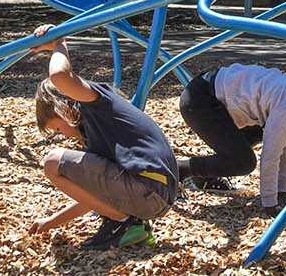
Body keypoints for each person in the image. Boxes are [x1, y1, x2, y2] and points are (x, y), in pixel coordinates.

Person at [27, 23, 179, 250]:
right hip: (153, 194)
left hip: (149, 189)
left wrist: (59, 43)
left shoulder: (95, 104)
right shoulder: (96, 133)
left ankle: (124, 224)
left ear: (64, 109)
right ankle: (127, 225)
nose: (64, 136)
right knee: (59, 163)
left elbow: (59, 76)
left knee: (52, 162)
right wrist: (51, 222)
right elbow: (97, 196)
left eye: (58, 129)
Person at [176, 51, 286, 212]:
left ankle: (205, 177)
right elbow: (271, 156)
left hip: (211, 96)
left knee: (265, 132)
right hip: (201, 101)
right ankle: (179, 170)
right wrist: (270, 203)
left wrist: (281, 194)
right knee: (243, 162)